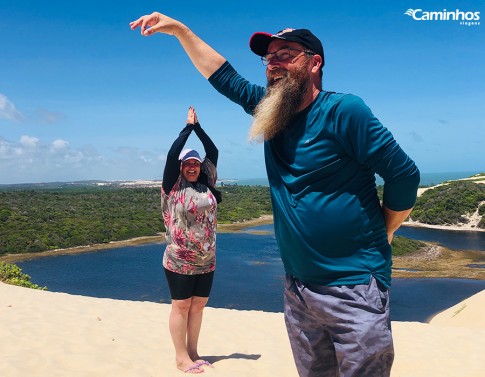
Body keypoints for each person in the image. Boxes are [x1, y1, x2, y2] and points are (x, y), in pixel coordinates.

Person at [130, 14, 420, 377]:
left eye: (286, 54)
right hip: (298, 289)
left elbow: (404, 175)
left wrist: (387, 230)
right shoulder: (273, 112)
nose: (273, 63)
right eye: (269, 58)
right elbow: (224, 76)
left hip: (355, 286)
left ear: (315, 63)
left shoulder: (344, 111)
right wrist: (179, 31)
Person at [161, 106, 221, 374]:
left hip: (207, 259)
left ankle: (194, 351)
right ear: (181, 168)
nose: (193, 167)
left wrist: (200, 128)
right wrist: (187, 128)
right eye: (188, 164)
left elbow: (214, 151)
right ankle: (180, 357)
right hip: (179, 259)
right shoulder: (172, 186)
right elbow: (173, 154)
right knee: (181, 306)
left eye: (196, 163)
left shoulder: (206, 184)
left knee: (198, 306)